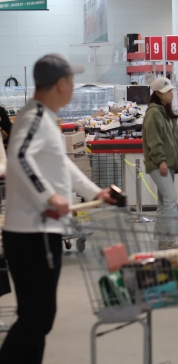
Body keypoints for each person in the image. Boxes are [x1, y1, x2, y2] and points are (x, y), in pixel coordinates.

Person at [0, 54, 116, 363]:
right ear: (61, 84)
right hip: (31, 233)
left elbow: (62, 164)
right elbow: (19, 158)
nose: (74, 87)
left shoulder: (45, 117)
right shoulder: (34, 117)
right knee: (38, 317)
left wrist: (96, 192)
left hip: (39, 232)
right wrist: (51, 198)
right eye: (72, 81)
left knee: (37, 317)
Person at [142, 77, 178, 250]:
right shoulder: (153, 113)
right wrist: (161, 160)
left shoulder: (167, 112)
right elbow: (153, 140)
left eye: (171, 91)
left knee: (164, 203)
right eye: (167, 92)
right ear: (157, 94)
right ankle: (174, 238)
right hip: (159, 164)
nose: (171, 94)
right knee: (171, 199)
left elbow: (176, 138)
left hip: (167, 163)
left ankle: (163, 241)